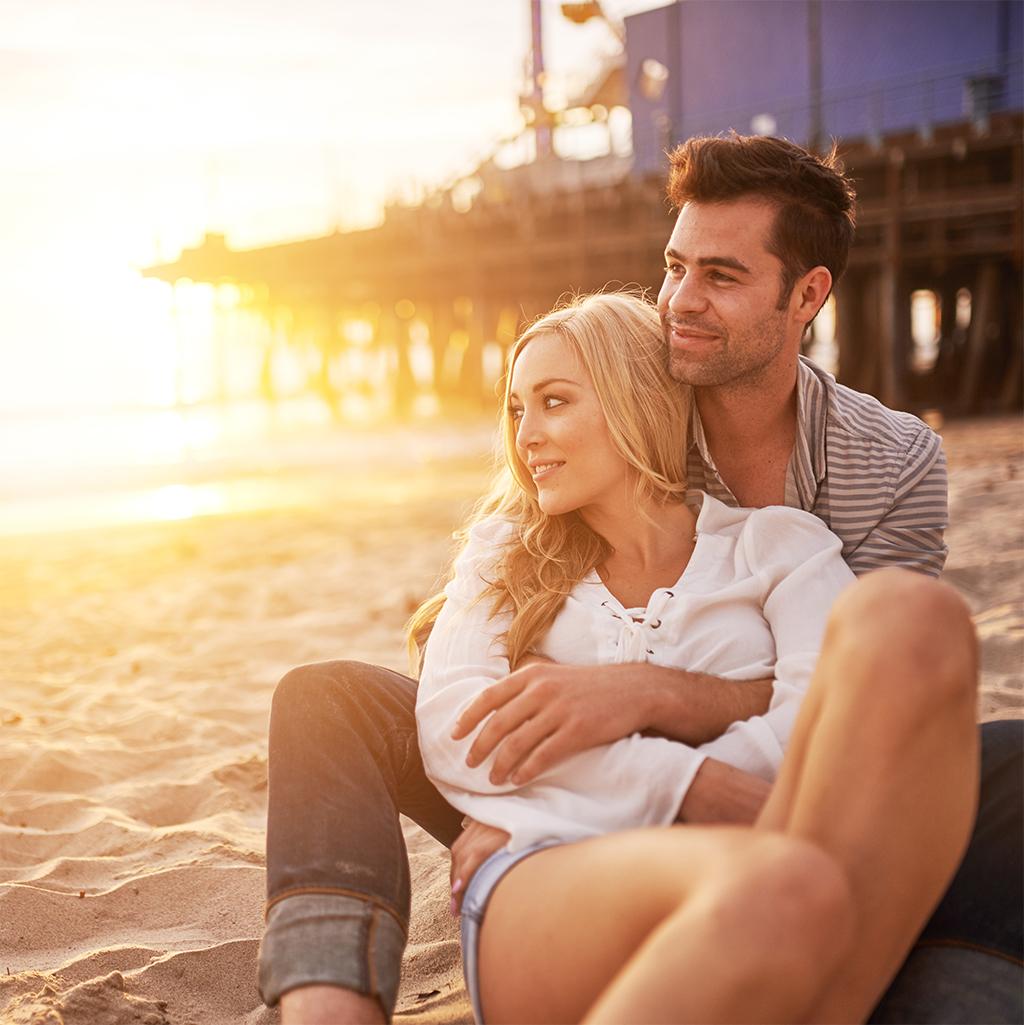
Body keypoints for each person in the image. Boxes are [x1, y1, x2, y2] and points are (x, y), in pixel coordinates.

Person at [259, 134, 1023, 1025]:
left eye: (722, 277)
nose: (680, 304)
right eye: (673, 267)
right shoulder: (608, 427)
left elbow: (863, 702)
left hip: (776, 785)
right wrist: (587, 791)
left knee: (982, 727)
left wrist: (640, 693)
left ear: (808, 293)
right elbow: (466, 684)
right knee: (331, 699)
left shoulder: (868, 477)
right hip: (569, 777)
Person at [411, 290, 977, 1024]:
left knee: (915, 616)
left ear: (634, 399)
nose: (527, 437)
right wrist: (685, 783)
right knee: (785, 885)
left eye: (553, 402)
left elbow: (819, 724)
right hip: (555, 875)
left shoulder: (777, 545)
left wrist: (593, 764)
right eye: (517, 410)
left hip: (770, 855)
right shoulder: (504, 556)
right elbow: (460, 729)